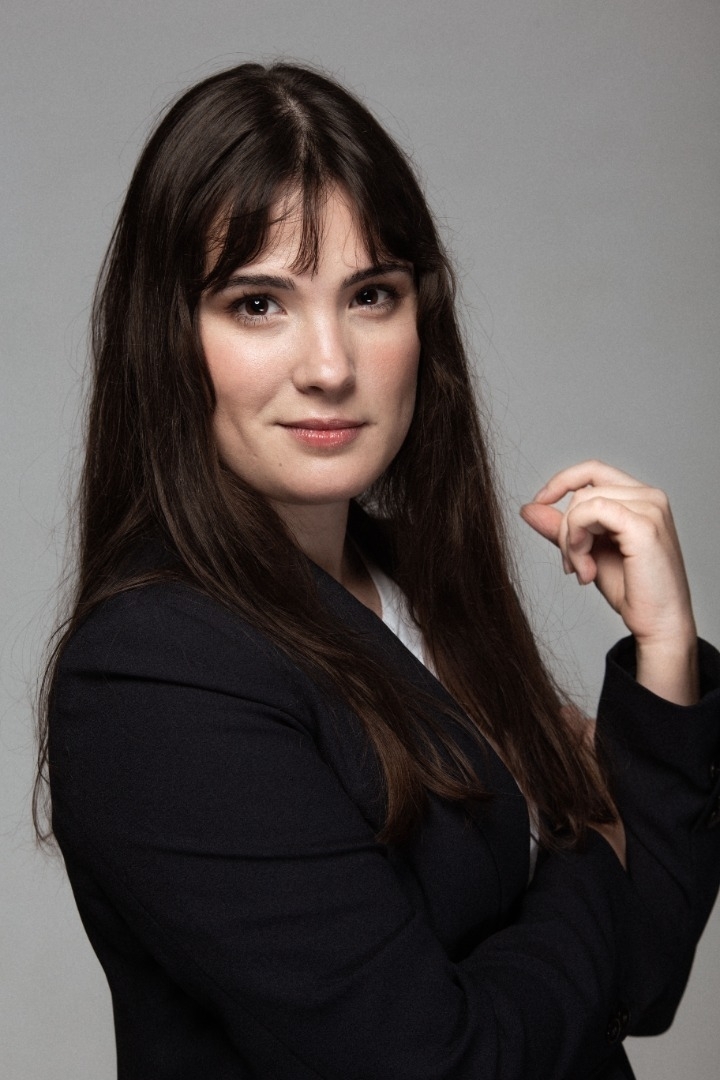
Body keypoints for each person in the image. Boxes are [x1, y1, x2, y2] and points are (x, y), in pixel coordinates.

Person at [38, 61, 720, 1080]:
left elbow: (644, 982)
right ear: (167, 337)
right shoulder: (153, 671)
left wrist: (663, 657)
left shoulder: (416, 584)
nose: (330, 366)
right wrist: (592, 837)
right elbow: (434, 1065)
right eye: (258, 303)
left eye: (370, 295)